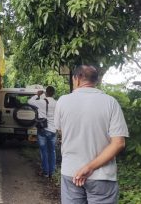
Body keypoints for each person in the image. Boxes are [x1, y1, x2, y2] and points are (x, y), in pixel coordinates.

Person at [54, 65, 128, 204]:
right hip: (102, 176)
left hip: (71, 173)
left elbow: (63, 134)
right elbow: (118, 143)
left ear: (76, 79)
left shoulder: (63, 101)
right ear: (96, 80)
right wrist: (90, 168)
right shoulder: (111, 102)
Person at [28, 86, 57, 178]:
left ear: (46, 93)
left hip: (43, 129)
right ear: (53, 93)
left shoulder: (41, 102)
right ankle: (52, 172)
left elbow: (29, 102)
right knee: (52, 151)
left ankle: (45, 172)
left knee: (44, 151)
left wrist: (37, 94)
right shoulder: (57, 103)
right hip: (53, 130)